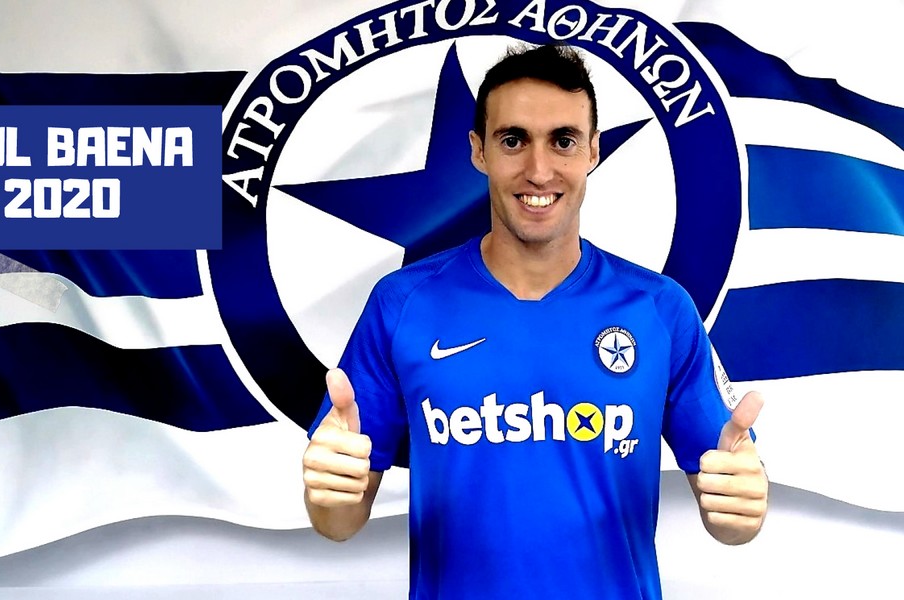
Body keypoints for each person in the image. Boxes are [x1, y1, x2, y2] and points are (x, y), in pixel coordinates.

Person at [302, 44, 768, 599]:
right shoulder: (402, 304)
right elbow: (339, 522)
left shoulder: (660, 309)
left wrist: (741, 508)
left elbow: (731, 517)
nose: (539, 170)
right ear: (479, 151)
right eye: (513, 140)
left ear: (593, 150)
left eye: (563, 140)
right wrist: (329, 496)